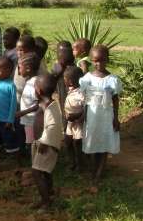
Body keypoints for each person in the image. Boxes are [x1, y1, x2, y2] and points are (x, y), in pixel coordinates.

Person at [80, 45, 122, 185]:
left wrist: (116, 118)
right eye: (95, 61)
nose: (98, 64)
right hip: (91, 117)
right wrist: (83, 116)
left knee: (104, 143)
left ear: (107, 60)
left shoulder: (112, 80)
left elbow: (115, 100)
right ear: (91, 60)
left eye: (102, 60)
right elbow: (84, 99)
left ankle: (99, 173)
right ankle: (93, 170)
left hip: (106, 116)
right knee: (92, 143)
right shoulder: (87, 79)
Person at [31, 74, 64, 209]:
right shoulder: (46, 104)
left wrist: (44, 142)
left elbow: (52, 127)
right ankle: (49, 194)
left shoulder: (50, 108)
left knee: (37, 172)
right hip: (41, 143)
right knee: (45, 171)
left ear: (38, 91)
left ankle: (46, 201)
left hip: (47, 145)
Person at [15, 52, 40, 147]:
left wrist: (22, 113)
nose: (18, 71)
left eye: (19, 68)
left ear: (28, 69)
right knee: (31, 142)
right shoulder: (30, 81)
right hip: (29, 121)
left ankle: (35, 160)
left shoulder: (34, 84)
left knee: (33, 144)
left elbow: (39, 105)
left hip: (33, 122)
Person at [63, 65, 85, 172]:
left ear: (70, 81)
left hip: (79, 123)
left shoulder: (81, 93)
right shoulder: (70, 90)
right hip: (70, 123)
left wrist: (77, 116)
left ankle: (80, 164)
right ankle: (72, 162)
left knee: (77, 144)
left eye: (65, 79)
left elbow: (86, 108)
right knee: (67, 142)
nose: (64, 81)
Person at [51, 41, 74, 121]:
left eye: (66, 53)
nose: (63, 56)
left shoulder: (74, 69)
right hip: (60, 99)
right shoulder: (57, 67)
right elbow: (52, 78)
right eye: (60, 53)